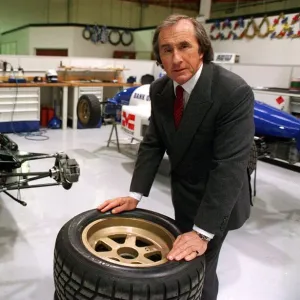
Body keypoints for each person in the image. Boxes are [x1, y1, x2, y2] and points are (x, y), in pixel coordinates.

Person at [97, 14, 255, 300]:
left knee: (200, 271)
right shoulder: (160, 91)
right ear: (159, 56)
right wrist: (135, 193)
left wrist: (203, 232)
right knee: (182, 268)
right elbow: (154, 143)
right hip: (184, 196)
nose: (176, 58)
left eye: (185, 46)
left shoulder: (232, 92)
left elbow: (229, 166)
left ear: (202, 49)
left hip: (218, 202)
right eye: (167, 50)